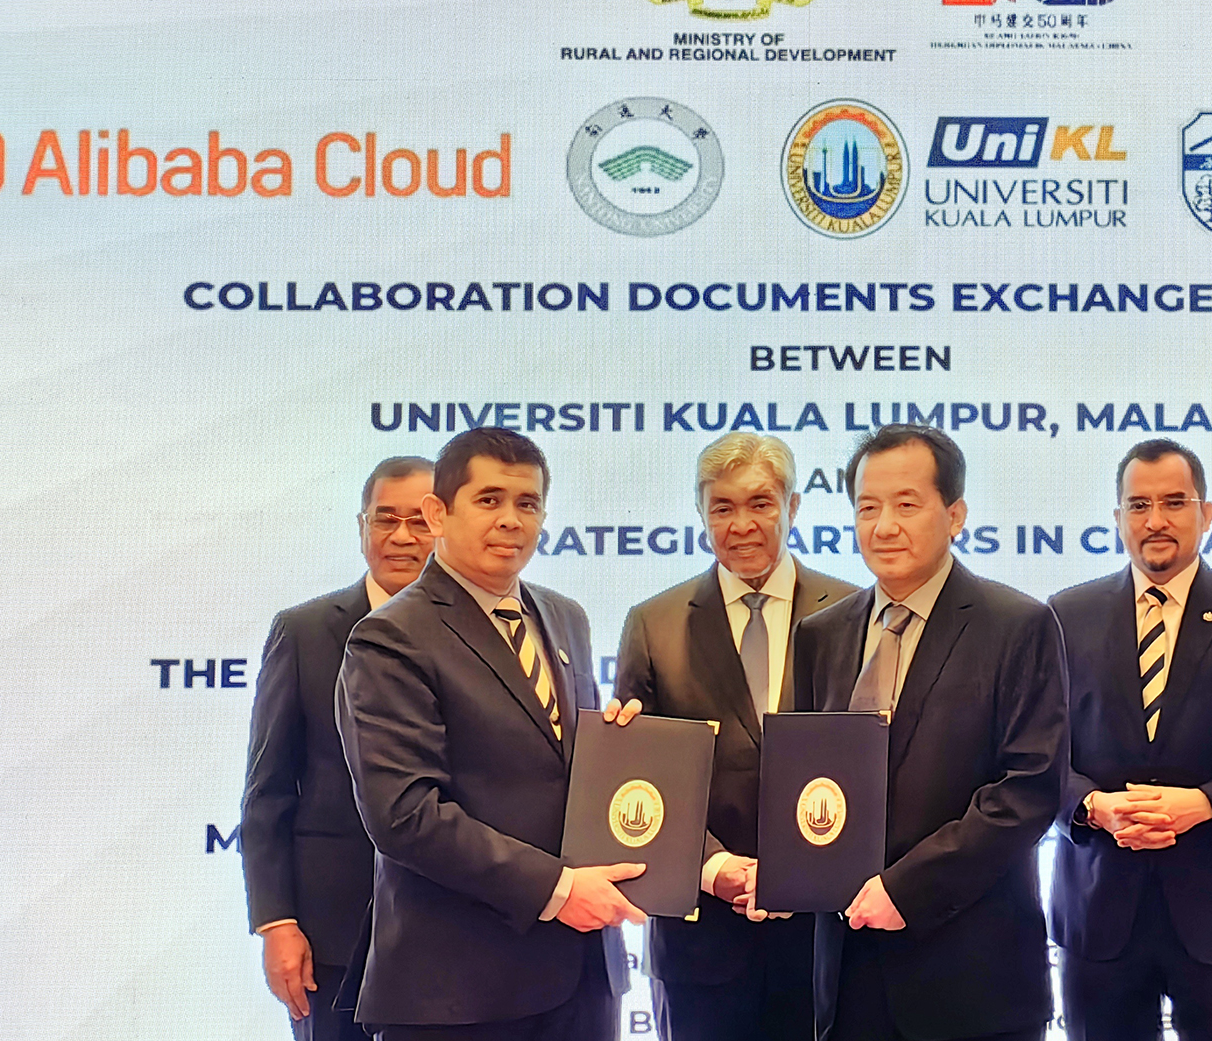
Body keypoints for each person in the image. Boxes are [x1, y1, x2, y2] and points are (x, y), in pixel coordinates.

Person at [335, 427, 641, 1041]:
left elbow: (565, 773)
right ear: (437, 514)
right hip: (461, 992)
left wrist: (623, 758)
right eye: (489, 500)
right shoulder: (391, 637)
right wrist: (557, 888)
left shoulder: (565, 617)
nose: (510, 519)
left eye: (527, 503)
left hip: (583, 978)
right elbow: (405, 815)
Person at [790, 424, 1067, 1041]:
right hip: (849, 973)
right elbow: (810, 779)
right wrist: (788, 869)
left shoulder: (1016, 625)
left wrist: (906, 891)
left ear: (955, 515)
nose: (884, 526)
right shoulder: (821, 635)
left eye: (906, 504)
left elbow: (1027, 791)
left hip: (971, 976)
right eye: (867, 508)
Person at [1048, 440, 1212, 1041]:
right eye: (1138, 505)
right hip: (1098, 906)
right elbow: (1037, 756)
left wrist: (1203, 804)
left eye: (1175, 502)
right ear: (1117, 517)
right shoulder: (1066, 615)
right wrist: (1092, 806)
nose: (1156, 520)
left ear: (1206, 513)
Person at [613, 432, 857, 1041]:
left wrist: (807, 867)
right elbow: (636, 779)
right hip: (701, 941)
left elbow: (872, 761)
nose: (741, 524)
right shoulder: (653, 624)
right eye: (722, 507)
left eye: (761, 503)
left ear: (793, 506)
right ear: (701, 514)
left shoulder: (853, 612)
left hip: (827, 934)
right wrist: (714, 866)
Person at [241, 455, 434, 1040]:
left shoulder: (487, 636)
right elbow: (268, 790)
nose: (401, 536)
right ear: (361, 527)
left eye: (419, 521)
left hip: (455, 937)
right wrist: (276, 922)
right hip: (331, 939)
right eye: (385, 518)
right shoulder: (303, 632)